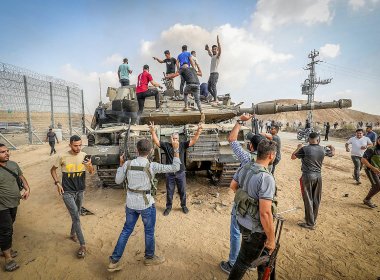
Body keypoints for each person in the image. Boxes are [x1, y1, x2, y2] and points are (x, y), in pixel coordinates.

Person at [107, 139, 181, 272]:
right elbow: (176, 167)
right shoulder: (152, 166)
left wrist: (121, 165)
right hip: (146, 204)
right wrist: (176, 150)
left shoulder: (128, 164)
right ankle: (149, 257)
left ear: (137, 150)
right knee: (149, 231)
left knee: (126, 231)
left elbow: (118, 181)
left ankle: (114, 261)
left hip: (130, 204)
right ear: (151, 151)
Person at [220, 113, 271, 274]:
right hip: (259, 206)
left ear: (251, 147)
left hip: (241, 205)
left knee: (236, 233)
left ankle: (233, 262)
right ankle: (248, 261)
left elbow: (232, 140)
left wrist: (240, 122)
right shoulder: (270, 160)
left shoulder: (247, 158)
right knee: (252, 236)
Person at [227, 139, 277, 280]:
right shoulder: (266, 177)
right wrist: (271, 239)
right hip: (256, 229)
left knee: (258, 259)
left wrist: (248, 199)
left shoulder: (246, 167)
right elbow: (265, 213)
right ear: (271, 156)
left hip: (242, 221)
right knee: (243, 262)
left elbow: (233, 186)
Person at [50, 135, 94, 258]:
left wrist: (90, 165)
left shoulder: (84, 155)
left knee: (77, 214)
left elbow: (91, 172)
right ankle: (83, 245)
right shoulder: (62, 157)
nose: (78, 147)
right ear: (70, 145)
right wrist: (57, 183)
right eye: (75, 145)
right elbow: (52, 170)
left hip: (80, 191)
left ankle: (72, 233)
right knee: (76, 216)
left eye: (80, 145)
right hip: (67, 192)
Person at [149, 121, 203, 216]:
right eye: (173, 139)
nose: (175, 140)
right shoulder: (166, 146)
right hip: (170, 173)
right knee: (169, 191)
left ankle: (183, 205)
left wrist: (198, 130)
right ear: (171, 139)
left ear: (179, 139)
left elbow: (193, 141)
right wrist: (153, 131)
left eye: (176, 139)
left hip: (180, 172)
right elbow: (156, 141)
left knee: (182, 190)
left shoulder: (182, 145)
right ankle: (168, 207)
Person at [291, 132, 335, 230]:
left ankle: (310, 223)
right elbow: (333, 153)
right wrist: (331, 146)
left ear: (308, 140)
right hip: (318, 176)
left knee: (308, 199)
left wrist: (298, 147)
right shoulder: (323, 149)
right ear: (318, 140)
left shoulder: (304, 149)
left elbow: (293, 156)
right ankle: (312, 219)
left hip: (307, 176)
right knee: (316, 199)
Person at [0, 143, 30, 272]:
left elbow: (21, 178)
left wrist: (27, 189)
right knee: (6, 229)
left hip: (14, 203)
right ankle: (8, 258)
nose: (7, 153)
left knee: (9, 226)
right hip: (1, 206)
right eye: (2, 152)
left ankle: (3, 247)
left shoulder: (13, 165)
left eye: (7, 151)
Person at [361, 135, 380, 208]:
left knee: (377, 186)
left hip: (378, 171)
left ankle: (367, 199)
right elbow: (363, 159)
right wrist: (373, 168)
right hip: (370, 170)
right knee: (377, 186)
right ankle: (367, 199)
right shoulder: (372, 149)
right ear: (378, 140)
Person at [205, 35, 221, 102]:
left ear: (217, 50)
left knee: (213, 86)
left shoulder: (217, 56)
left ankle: (215, 100)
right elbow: (210, 53)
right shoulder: (212, 56)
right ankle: (215, 97)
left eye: (215, 49)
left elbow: (220, 50)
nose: (214, 50)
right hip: (211, 74)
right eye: (213, 49)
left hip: (215, 74)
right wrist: (208, 49)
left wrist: (218, 42)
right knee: (208, 88)